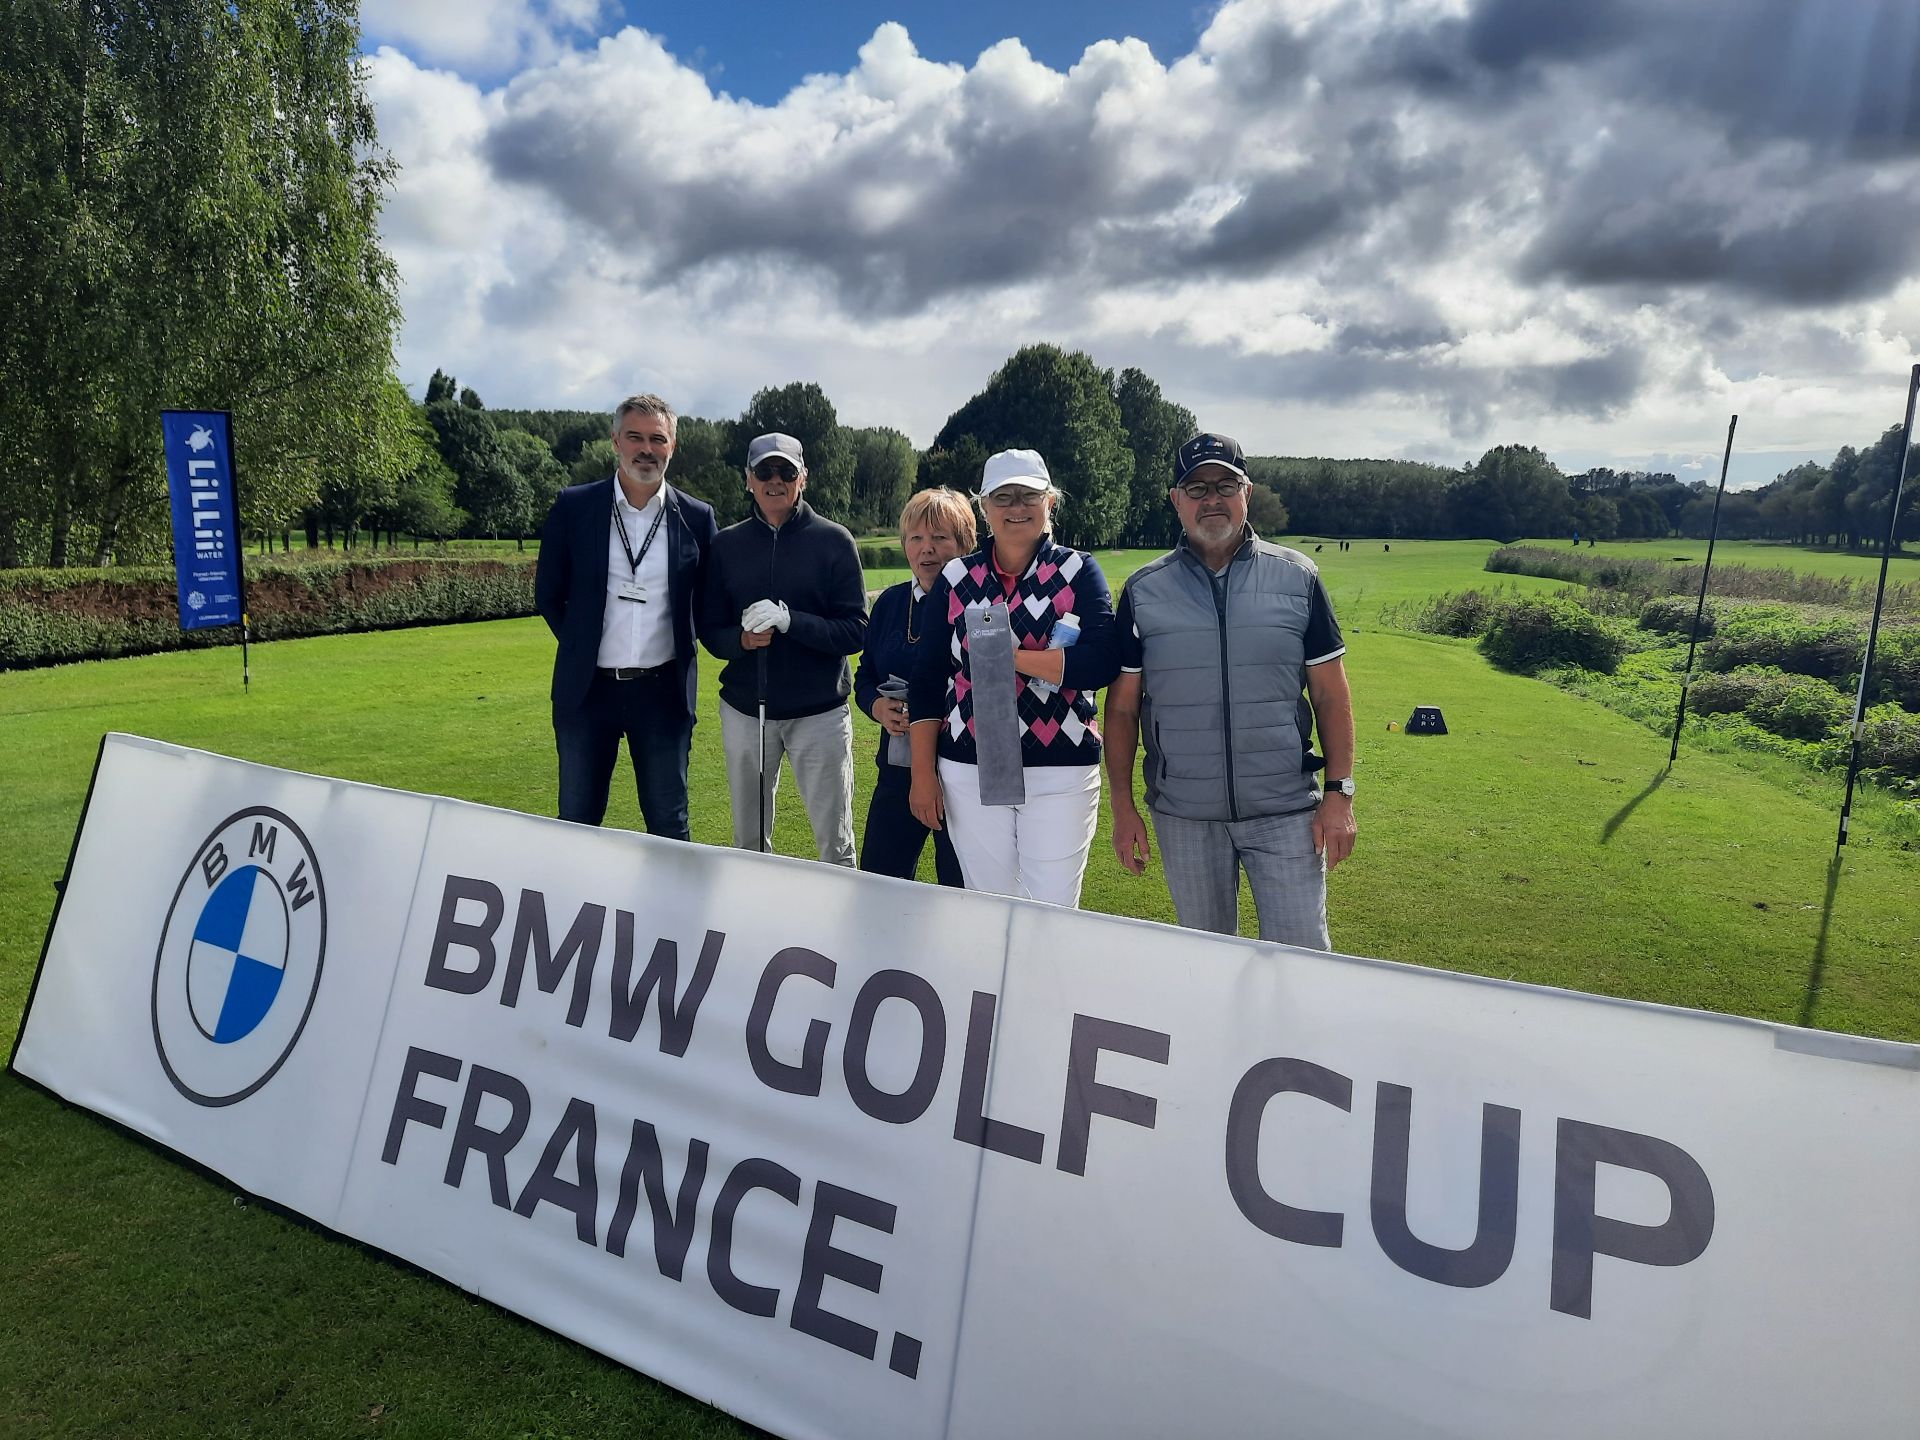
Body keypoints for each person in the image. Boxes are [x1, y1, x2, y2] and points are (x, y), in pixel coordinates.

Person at [1105, 431, 1356, 950]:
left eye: (1225, 485)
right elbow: (1123, 710)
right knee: (1207, 966)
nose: (1211, 500)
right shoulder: (1143, 590)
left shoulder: (1298, 577)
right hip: (1185, 815)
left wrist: (1339, 794)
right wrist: (1123, 808)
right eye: (1196, 488)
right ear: (1176, 500)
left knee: (1301, 961)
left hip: (1286, 812)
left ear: (1247, 493)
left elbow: (1331, 695)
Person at [907, 449, 1121, 906]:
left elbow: (1102, 661)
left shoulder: (1078, 570)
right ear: (984, 506)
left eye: (1029, 495)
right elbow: (927, 679)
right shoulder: (955, 576)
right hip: (969, 766)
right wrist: (922, 773)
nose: (1016, 507)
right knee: (989, 906)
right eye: (1003, 497)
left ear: (1050, 503)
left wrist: (1014, 658)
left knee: (1052, 908)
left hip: (1060, 767)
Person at [534, 393, 717, 837]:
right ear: (616, 440)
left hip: (662, 694)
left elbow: (708, 602)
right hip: (586, 693)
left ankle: (669, 890)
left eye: (658, 439)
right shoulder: (574, 507)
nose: (646, 449)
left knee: (670, 826)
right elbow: (548, 594)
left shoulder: (697, 517)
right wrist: (580, 645)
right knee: (577, 823)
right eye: (635, 437)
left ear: (672, 446)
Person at [699, 433, 867, 863]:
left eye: (786, 472)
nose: (775, 480)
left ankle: (841, 908)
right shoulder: (726, 545)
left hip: (819, 713)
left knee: (836, 843)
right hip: (746, 712)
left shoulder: (834, 540)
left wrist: (792, 622)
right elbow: (709, 628)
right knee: (749, 843)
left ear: (802, 478)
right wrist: (741, 640)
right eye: (765, 471)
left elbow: (855, 630)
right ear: (749, 479)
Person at [854, 488, 973, 886]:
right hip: (897, 770)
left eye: (940, 537)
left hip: (963, 774)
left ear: (964, 543)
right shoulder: (890, 604)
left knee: (960, 894)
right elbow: (865, 676)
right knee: (879, 886)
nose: (927, 549)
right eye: (916, 538)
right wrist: (877, 707)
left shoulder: (983, 606)